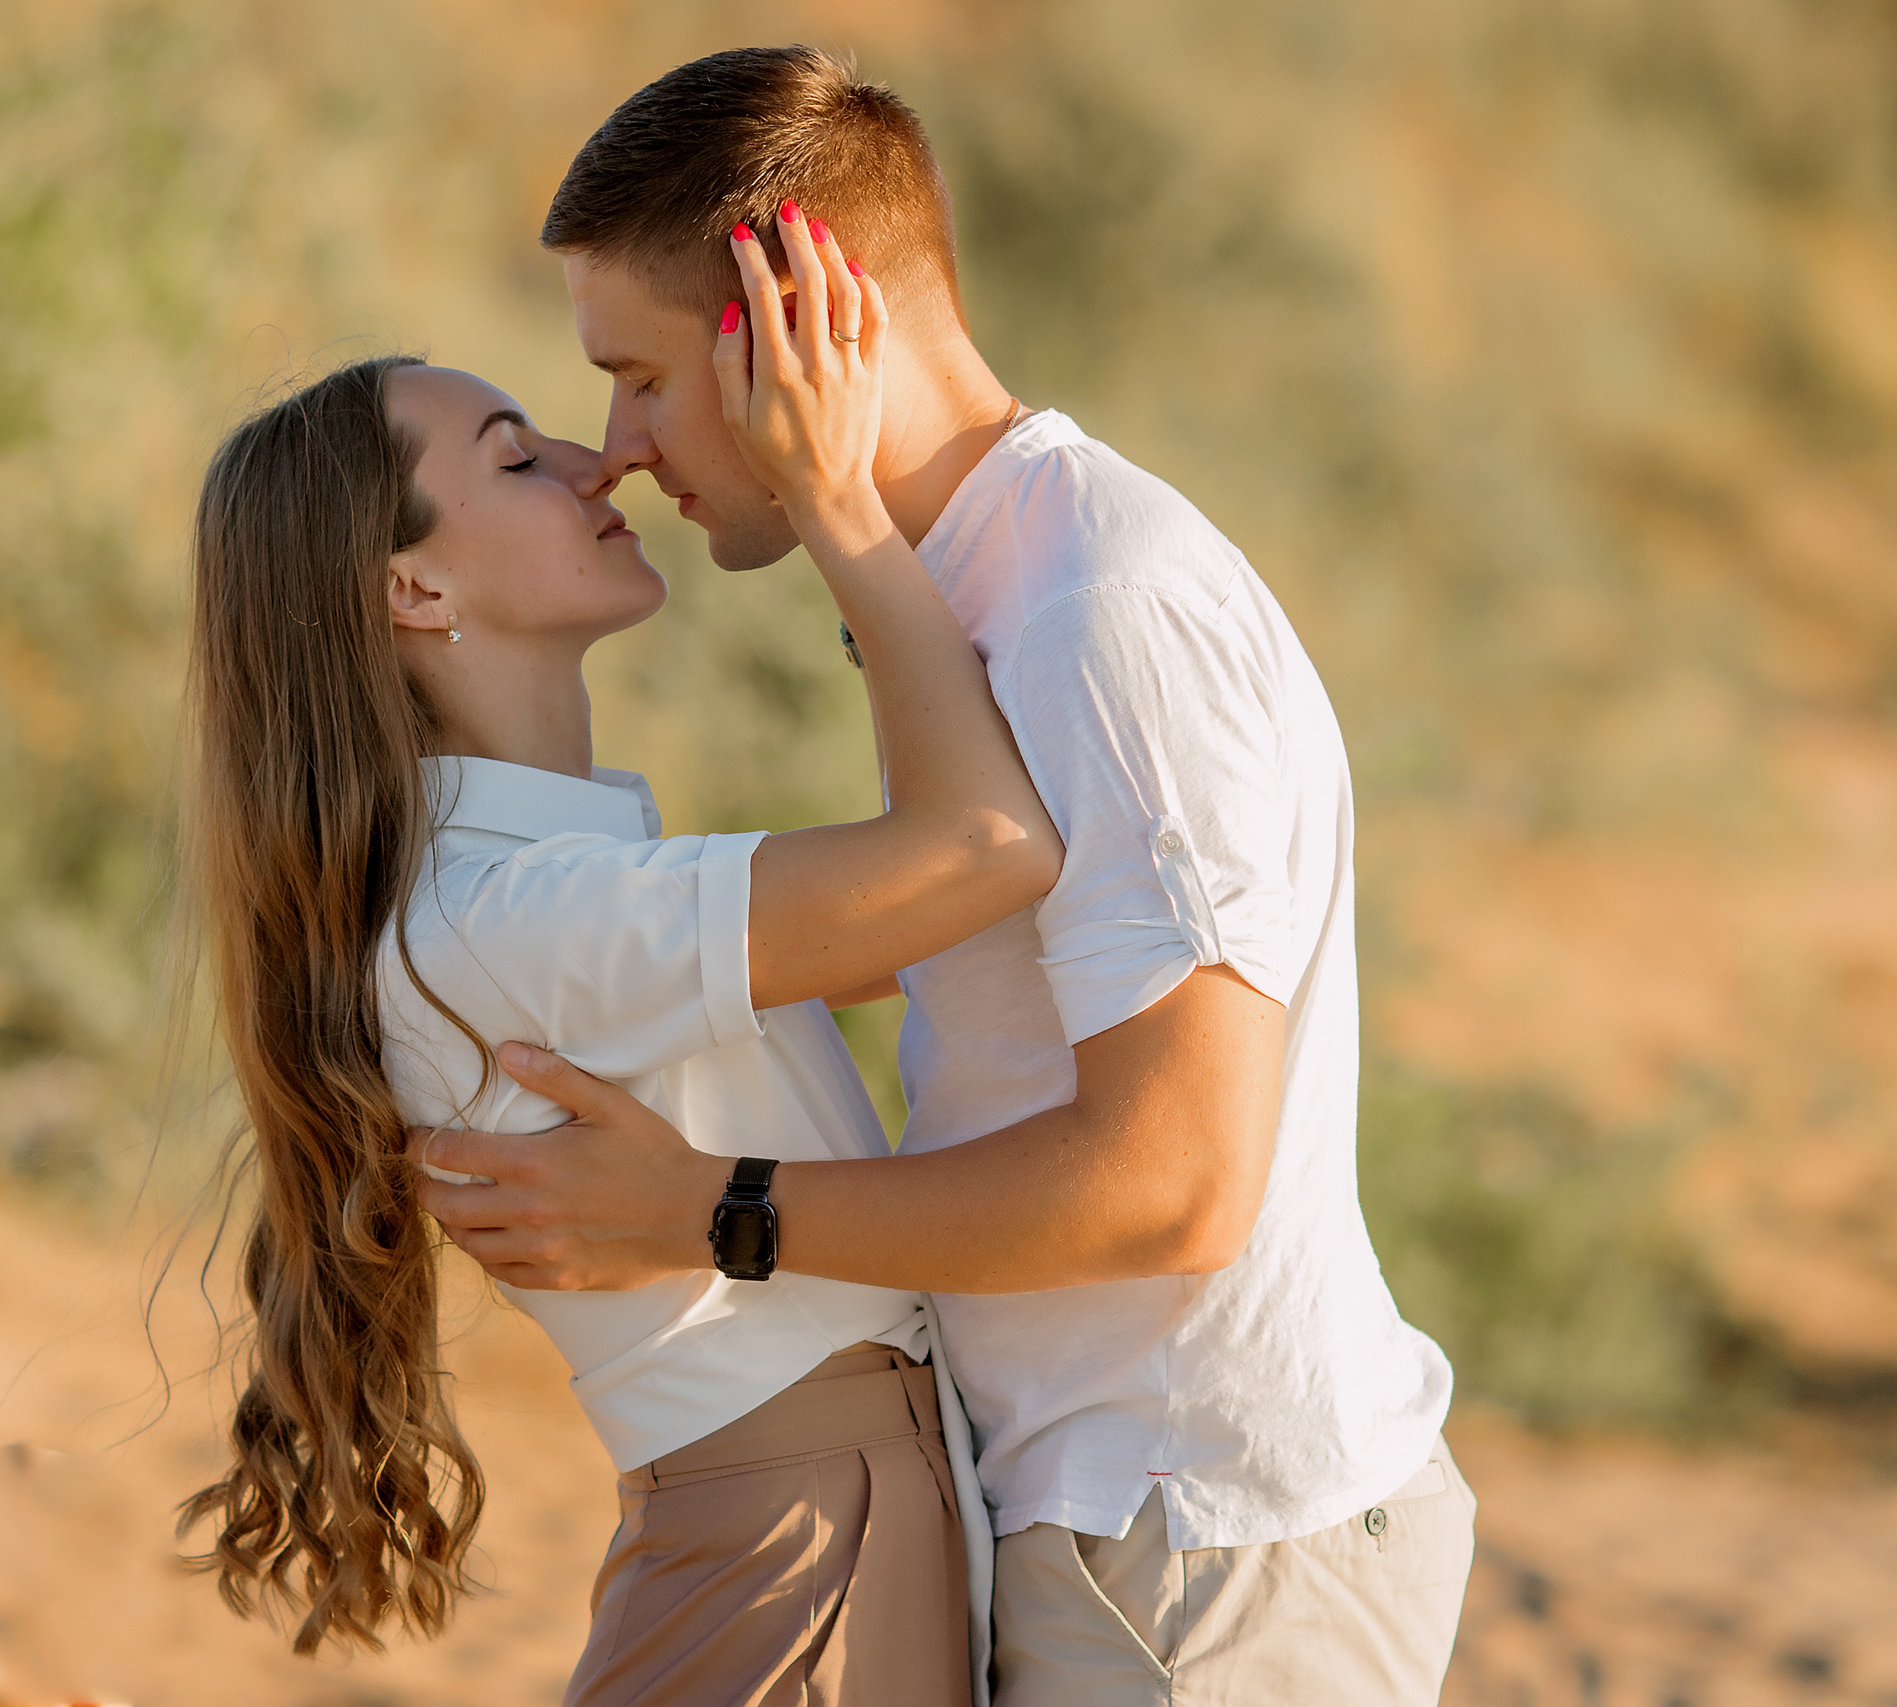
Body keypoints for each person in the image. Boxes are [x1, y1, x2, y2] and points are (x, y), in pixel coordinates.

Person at [415, 46, 1476, 1707]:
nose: (614, 448)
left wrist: (707, 1215)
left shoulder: (1094, 616)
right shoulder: (974, 589)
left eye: (636, 377)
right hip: (1119, 1524)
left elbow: (1175, 1182)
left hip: (1198, 1548)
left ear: (786, 325)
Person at [175, 207, 1061, 1703]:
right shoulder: (508, 919)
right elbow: (988, 852)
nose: (600, 463)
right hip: (805, 1542)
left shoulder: (528, 890)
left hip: (804, 1522)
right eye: (517, 459)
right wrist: (839, 503)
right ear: (413, 593)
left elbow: (924, 926)